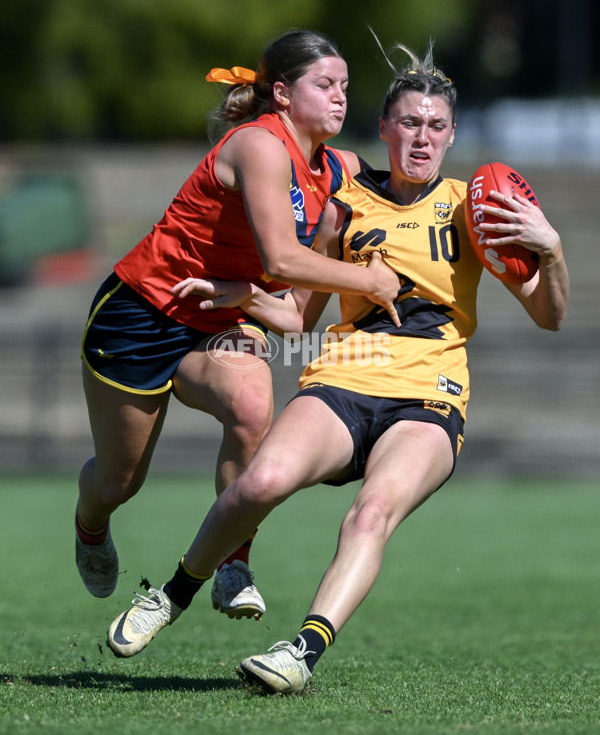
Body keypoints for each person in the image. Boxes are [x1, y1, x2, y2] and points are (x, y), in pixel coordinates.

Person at [105, 40, 568, 693]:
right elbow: (298, 317)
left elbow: (549, 314)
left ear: (452, 134)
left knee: (371, 511)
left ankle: (300, 652)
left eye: (436, 126)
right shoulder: (347, 201)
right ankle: (173, 593)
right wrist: (244, 295)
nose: (422, 136)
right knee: (261, 481)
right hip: (345, 379)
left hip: (429, 393)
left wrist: (549, 252)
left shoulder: (474, 207)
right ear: (384, 128)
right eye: (408, 122)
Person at [75, 29, 400, 622]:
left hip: (223, 313)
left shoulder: (336, 166)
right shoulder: (259, 146)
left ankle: (232, 563)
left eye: (345, 87)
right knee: (119, 484)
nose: (340, 98)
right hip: (140, 314)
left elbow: (402, 196)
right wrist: (371, 283)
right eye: (324, 85)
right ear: (281, 92)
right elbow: (280, 260)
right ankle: (90, 525)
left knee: (253, 406)